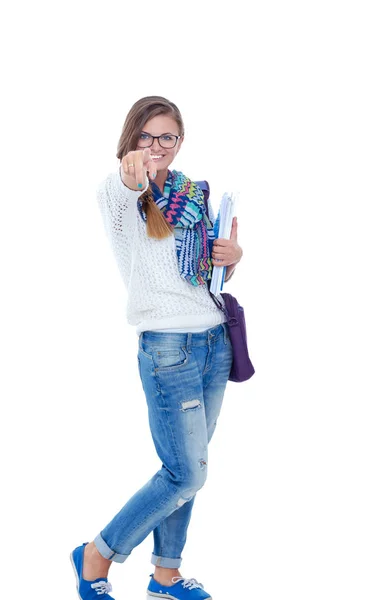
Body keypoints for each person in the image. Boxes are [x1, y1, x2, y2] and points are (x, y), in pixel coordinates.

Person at [70, 96, 243, 600]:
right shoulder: (120, 191)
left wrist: (233, 257)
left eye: (167, 136)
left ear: (180, 141)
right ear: (131, 141)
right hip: (168, 348)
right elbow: (125, 193)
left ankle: (165, 576)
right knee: (184, 473)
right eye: (146, 137)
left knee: (191, 471)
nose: (157, 146)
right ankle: (97, 553)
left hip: (214, 341)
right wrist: (131, 175)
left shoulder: (192, 193)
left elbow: (203, 275)